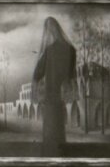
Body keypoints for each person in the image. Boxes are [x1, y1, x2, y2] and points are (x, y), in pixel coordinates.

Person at [31, 16, 77, 154]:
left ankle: (51, 155)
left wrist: (37, 89)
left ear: (50, 31)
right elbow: (71, 75)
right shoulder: (71, 50)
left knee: (51, 131)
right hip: (60, 96)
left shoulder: (50, 50)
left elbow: (37, 74)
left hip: (51, 96)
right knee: (58, 129)